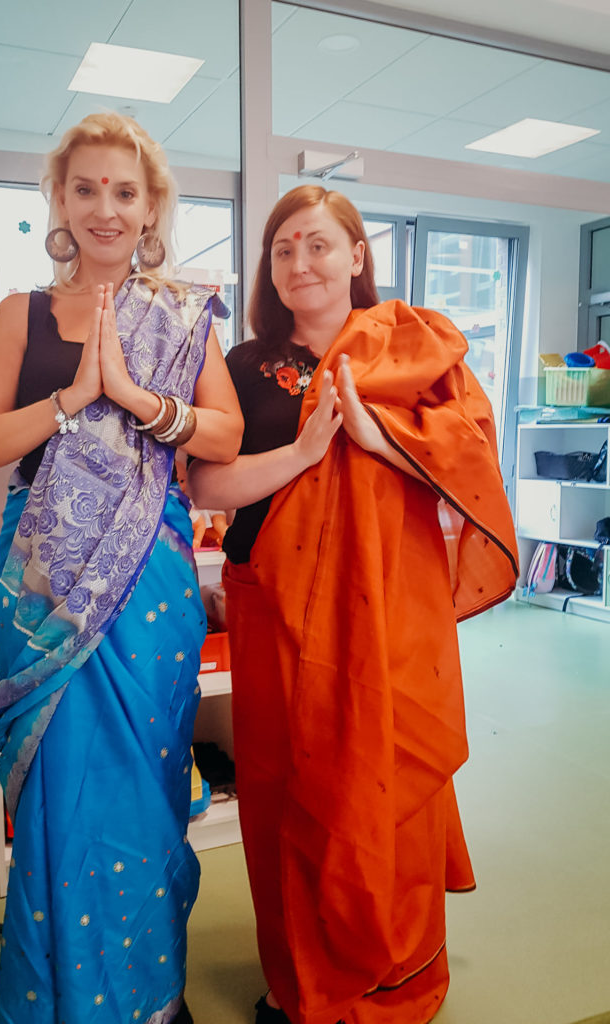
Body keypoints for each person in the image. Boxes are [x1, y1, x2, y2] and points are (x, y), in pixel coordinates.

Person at [187, 185, 519, 1024]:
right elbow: (206, 485)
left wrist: (381, 438)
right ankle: (302, 978)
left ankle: (392, 974)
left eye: (318, 244)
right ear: (269, 267)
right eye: (283, 249)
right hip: (276, 605)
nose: (300, 263)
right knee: (287, 792)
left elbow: (471, 460)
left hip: (387, 614)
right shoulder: (242, 367)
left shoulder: (408, 349)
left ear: (357, 255)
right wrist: (305, 453)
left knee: (386, 782)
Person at [0, 112, 243, 1024]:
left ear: (151, 205)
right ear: (59, 199)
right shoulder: (22, 313)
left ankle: (146, 997)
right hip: (44, 590)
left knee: (143, 795)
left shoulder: (185, 314)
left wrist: (136, 399)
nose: (105, 209)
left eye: (124, 191)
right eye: (86, 189)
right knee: (62, 801)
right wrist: (72, 397)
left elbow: (225, 435)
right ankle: (58, 1003)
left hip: (148, 591)